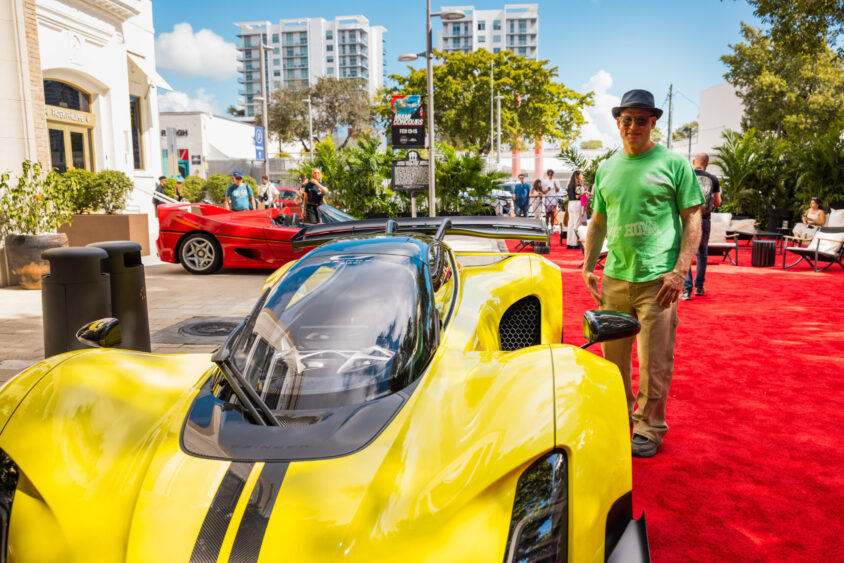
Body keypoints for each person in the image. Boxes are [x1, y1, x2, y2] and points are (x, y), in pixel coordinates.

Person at [581, 89, 703, 458]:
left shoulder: (674, 163)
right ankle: (620, 418)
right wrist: (588, 265)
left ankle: (649, 426)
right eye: (626, 119)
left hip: (659, 281)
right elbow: (597, 222)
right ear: (618, 123)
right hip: (616, 278)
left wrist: (680, 270)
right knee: (613, 361)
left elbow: (692, 218)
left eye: (641, 119)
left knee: (655, 362)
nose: (633, 126)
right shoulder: (606, 168)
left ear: (653, 123)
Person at [681, 153, 722, 301]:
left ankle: (686, 289)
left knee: (685, 253)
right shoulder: (713, 179)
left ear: (693, 162)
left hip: (686, 219)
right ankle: (699, 287)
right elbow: (717, 202)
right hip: (704, 219)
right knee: (702, 253)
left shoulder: (685, 176)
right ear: (707, 164)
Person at [565, 170, 584, 249]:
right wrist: (585, 192)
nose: (582, 175)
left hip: (570, 204)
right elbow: (577, 196)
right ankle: (575, 243)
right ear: (577, 176)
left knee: (571, 223)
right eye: (581, 174)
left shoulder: (570, 184)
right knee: (577, 223)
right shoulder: (578, 185)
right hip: (576, 203)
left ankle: (569, 242)